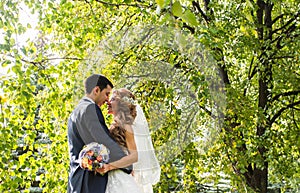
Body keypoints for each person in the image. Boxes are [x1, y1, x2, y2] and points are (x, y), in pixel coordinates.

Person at [67, 74, 132, 193]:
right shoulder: (90, 108)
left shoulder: (75, 112)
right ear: (96, 90)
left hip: (76, 180)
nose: (107, 99)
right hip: (90, 182)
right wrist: (127, 164)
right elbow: (104, 141)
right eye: (107, 94)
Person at [100, 88, 161, 193]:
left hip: (119, 176)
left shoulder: (126, 125)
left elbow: (134, 156)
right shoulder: (115, 124)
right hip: (110, 177)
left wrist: (109, 166)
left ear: (121, 104)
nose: (109, 102)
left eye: (113, 99)